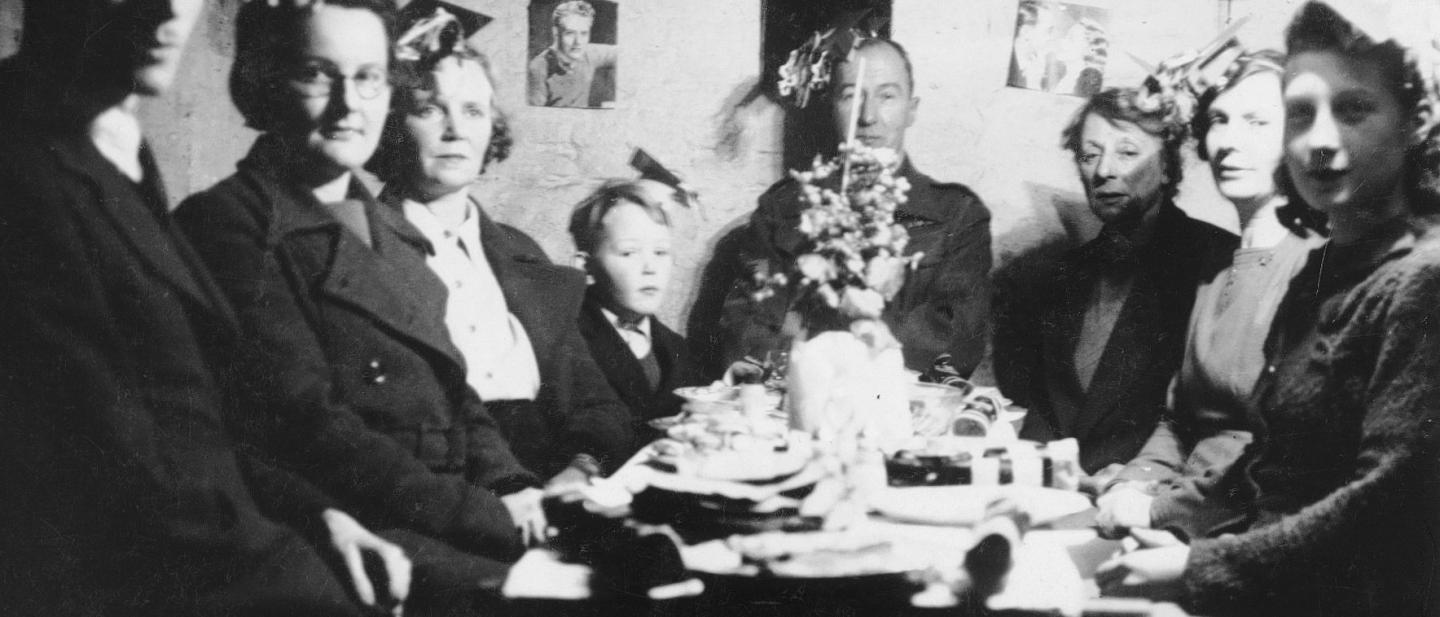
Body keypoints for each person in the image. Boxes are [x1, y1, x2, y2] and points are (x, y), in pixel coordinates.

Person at [0, 0, 410, 615]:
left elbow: (190, 427)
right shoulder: (20, 164)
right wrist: (300, 570)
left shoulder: (114, 144)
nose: (167, 10)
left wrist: (316, 517)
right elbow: (116, 470)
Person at [176, 1, 538, 612]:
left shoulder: (390, 228)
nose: (351, 105)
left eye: (369, 76)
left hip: (444, 518)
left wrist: (513, 482)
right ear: (264, 84)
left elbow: (453, 388)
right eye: (319, 74)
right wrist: (486, 516)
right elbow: (311, 428)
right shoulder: (227, 226)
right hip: (358, 542)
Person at [1099, 3, 1440, 615]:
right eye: (1301, 114)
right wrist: (1166, 520)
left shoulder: (1422, 280)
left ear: (1415, 123)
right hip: (1265, 575)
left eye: (1354, 109)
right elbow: (1269, 465)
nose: (1321, 140)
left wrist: (1196, 564)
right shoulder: (1326, 269)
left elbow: (1387, 508)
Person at [366, 8, 635, 479]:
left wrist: (581, 466)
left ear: (493, 129)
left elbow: (597, 402)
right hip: (450, 488)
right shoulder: (361, 249)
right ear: (392, 125)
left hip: (558, 476)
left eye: (473, 110)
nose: (456, 130)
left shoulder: (517, 251)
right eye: (429, 109)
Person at [1095, 50, 1326, 539]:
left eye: (1258, 122)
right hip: (1179, 521)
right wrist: (1133, 485)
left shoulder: (1319, 268)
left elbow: (1279, 459)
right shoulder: (1217, 267)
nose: (1229, 142)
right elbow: (1179, 422)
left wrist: (1158, 511)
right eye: (1220, 120)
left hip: (1251, 536)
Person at [992, 87, 1237, 474]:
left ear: (1168, 166)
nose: (1104, 171)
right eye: (1090, 155)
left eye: (1127, 152)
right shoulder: (1057, 275)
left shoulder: (1219, 263)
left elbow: (1221, 425)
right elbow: (1040, 409)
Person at [718, 36, 992, 375]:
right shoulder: (783, 206)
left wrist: (846, 344)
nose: (868, 116)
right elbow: (747, 317)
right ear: (832, 105)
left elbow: (957, 335)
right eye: (851, 96)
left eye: (887, 96)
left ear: (912, 109)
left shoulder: (957, 214)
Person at [569, 180, 705, 439]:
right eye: (629, 252)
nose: (650, 267)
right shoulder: (569, 343)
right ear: (586, 268)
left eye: (661, 252)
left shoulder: (676, 348)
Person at [527, 0, 617, 107]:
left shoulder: (589, 53)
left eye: (583, 33)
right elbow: (533, 118)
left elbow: (627, 53)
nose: (578, 42)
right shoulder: (538, 68)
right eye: (570, 33)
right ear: (556, 33)